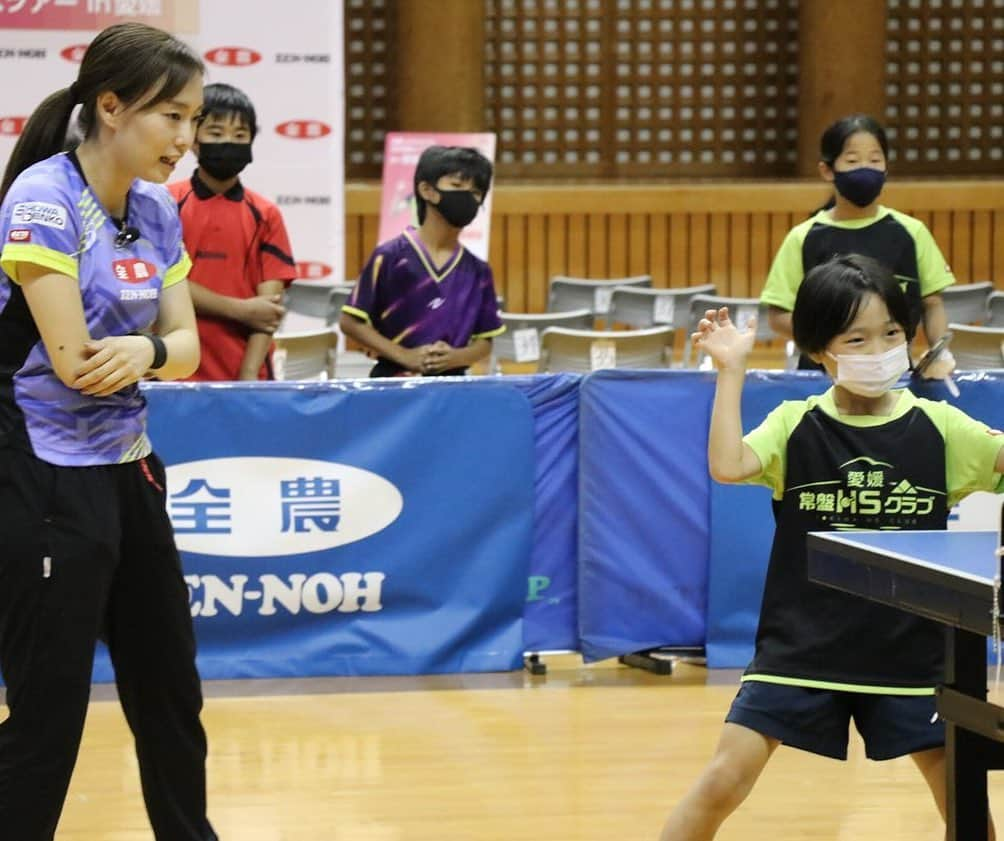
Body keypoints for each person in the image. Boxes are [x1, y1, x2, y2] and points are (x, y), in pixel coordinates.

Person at [660, 254, 1004, 841]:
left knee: (963, 799)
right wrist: (732, 372)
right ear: (821, 351)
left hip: (910, 657)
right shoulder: (795, 425)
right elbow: (727, 464)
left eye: (892, 333)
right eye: (858, 338)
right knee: (722, 781)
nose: (880, 350)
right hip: (803, 651)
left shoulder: (941, 427)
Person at [0, 23, 217, 841]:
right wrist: (152, 351)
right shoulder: (42, 201)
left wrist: (149, 350)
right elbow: (71, 362)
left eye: (194, 119)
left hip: (131, 469)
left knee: (171, 697)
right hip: (41, 473)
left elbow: (187, 349)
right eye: (173, 118)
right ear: (112, 106)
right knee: (48, 714)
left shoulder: (159, 209)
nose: (187, 141)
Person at [761, 114, 955, 377]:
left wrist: (939, 353)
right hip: (822, 377)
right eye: (852, 161)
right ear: (827, 170)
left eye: (875, 160)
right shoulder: (803, 237)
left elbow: (932, 305)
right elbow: (778, 315)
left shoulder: (912, 232)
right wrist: (836, 340)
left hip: (895, 376)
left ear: (886, 168)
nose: (865, 168)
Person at [340, 145, 504, 377]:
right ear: (427, 190)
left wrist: (456, 358)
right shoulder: (389, 256)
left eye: (476, 192)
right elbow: (350, 322)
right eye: (457, 186)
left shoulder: (478, 271)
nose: (467, 197)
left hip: (452, 388)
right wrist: (403, 355)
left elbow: (485, 341)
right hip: (392, 385)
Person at [169, 82, 295, 381]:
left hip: (245, 375)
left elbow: (268, 310)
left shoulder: (266, 215)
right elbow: (164, 282)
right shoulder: (165, 204)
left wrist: (248, 376)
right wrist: (240, 310)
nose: (229, 141)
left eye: (240, 135)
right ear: (194, 139)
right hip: (174, 375)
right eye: (216, 133)